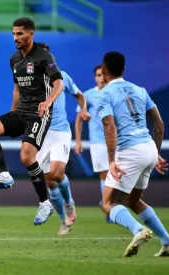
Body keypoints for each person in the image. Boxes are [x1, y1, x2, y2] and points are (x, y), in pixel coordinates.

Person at [0, 17, 64, 225]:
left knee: (27, 157)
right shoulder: (14, 59)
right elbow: (17, 88)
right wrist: (12, 113)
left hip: (39, 114)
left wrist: (47, 102)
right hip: (20, 112)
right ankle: (4, 175)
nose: (15, 37)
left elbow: (59, 83)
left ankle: (45, 203)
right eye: (13, 34)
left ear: (31, 34)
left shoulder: (44, 56)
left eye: (19, 34)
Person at [96, 51, 169, 257]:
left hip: (129, 151)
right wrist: (156, 153)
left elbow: (109, 126)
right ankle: (168, 243)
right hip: (148, 147)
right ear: (124, 69)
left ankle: (138, 230)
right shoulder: (140, 90)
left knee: (108, 203)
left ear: (104, 70)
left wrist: (112, 161)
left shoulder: (103, 94)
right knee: (133, 199)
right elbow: (158, 123)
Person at [35, 42, 90, 233]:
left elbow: (80, 95)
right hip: (41, 134)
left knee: (57, 174)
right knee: (48, 180)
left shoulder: (62, 77)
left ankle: (69, 201)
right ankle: (63, 220)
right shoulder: (30, 79)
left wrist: (83, 110)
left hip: (60, 132)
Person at [74, 65, 112, 223]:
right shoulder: (88, 95)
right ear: (94, 77)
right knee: (105, 174)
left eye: (103, 75)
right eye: (98, 75)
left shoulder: (114, 93)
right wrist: (78, 140)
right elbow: (79, 119)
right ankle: (108, 207)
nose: (101, 78)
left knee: (117, 175)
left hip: (117, 141)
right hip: (98, 141)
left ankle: (109, 203)